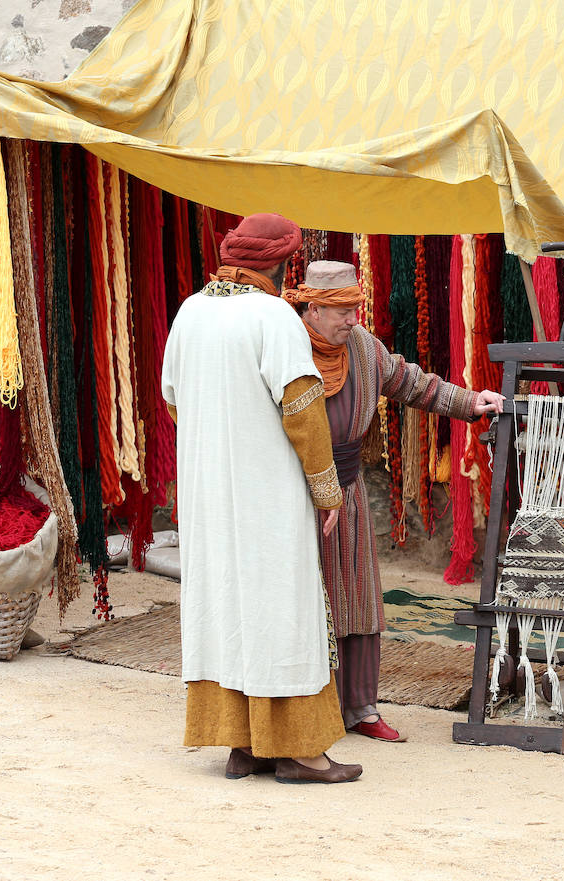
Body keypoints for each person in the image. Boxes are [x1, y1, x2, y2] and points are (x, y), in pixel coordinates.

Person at [162, 213, 360, 784]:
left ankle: (242, 746)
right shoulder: (273, 316)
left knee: (225, 605)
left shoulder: (190, 311)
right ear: (281, 262)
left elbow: (174, 398)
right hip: (268, 495)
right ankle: (299, 752)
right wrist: (327, 491)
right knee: (281, 609)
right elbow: (302, 408)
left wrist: (218, 446)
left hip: (209, 496)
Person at [283, 260, 505, 742]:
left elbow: (413, 383)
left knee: (358, 598)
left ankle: (360, 708)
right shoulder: (286, 347)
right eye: (342, 310)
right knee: (303, 599)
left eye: (356, 309)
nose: (352, 319)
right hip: (295, 494)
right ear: (314, 309)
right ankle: (305, 709)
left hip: (349, 490)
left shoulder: (364, 349)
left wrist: (471, 403)